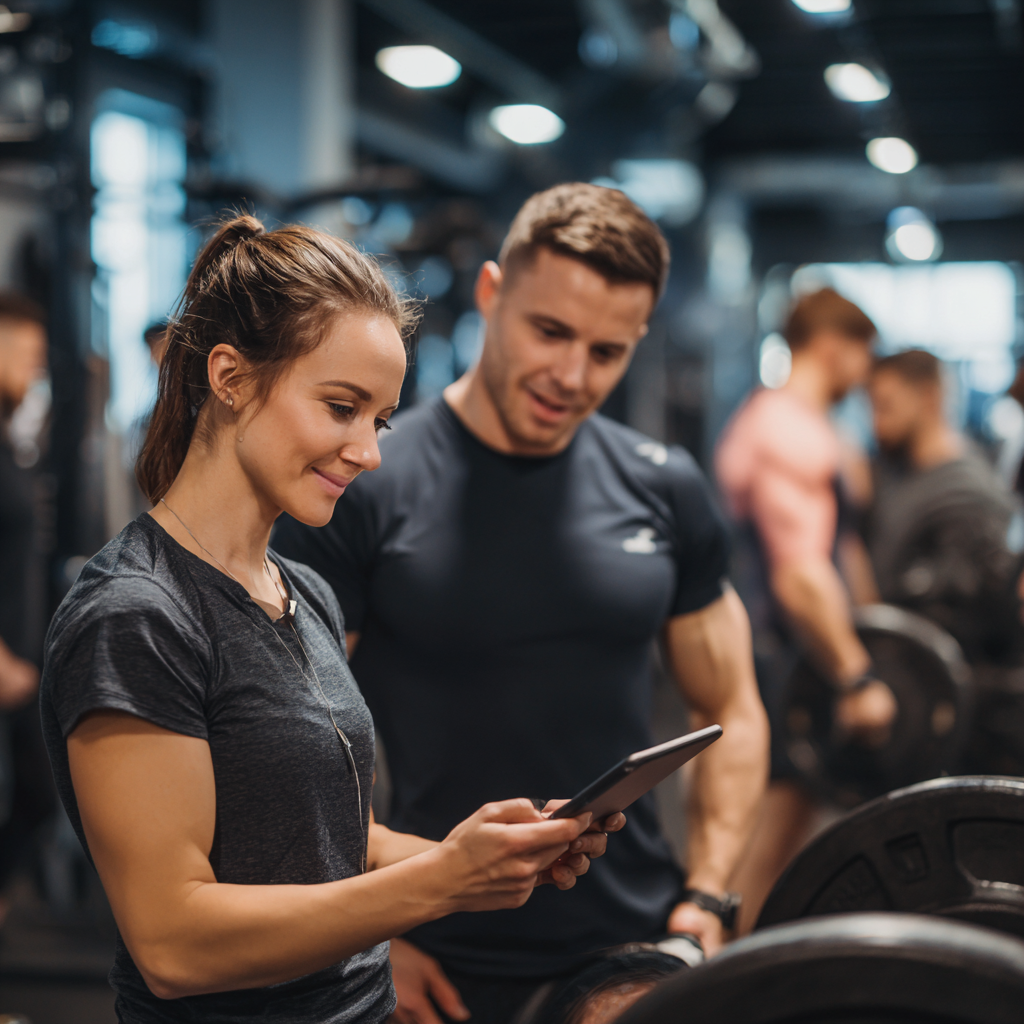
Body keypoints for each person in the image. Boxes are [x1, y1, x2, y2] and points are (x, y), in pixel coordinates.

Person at [39, 216, 616, 1024]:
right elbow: (173, 943)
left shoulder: (303, 590)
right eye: (341, 407)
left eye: (377, 420)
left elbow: (329, 839)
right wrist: (439, 884)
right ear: (231, 377)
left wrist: (488, 855)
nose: (368, 451)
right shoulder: (138, 616)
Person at [274, 182, 769, 1024]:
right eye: (550, 331)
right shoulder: (366, 485)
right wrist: (374, 930)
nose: (572, 376)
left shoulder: (664, 488)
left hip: (631, 948)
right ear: (493, 293)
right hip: (441, 947)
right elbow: (286, 754)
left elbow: (731, 706)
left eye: (607, 352)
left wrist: (710, 900)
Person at [715, 288, 898, 931]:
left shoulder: (804, 425)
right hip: (775, 662)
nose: (867, 374)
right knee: (757, 856)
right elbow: (800, 574)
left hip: (786, 657)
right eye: (863, 355)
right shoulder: (787, 431)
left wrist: (878, 647)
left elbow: (841, 550)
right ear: (831, 345)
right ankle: (716, 987)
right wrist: (859, 675)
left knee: (779, 846)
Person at [867, 349, 1024, 774]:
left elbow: (988, 615)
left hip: (964, 729)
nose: (876, 421)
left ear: (929, 398)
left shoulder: (967, 491)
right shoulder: (903, 475)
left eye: (887, 406)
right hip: (912, 711)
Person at [0, 292, 56, 923]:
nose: (38, 368)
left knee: (41, 793)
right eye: (30, 352)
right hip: (4, 663)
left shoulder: (10, 436)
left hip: (22, 661)